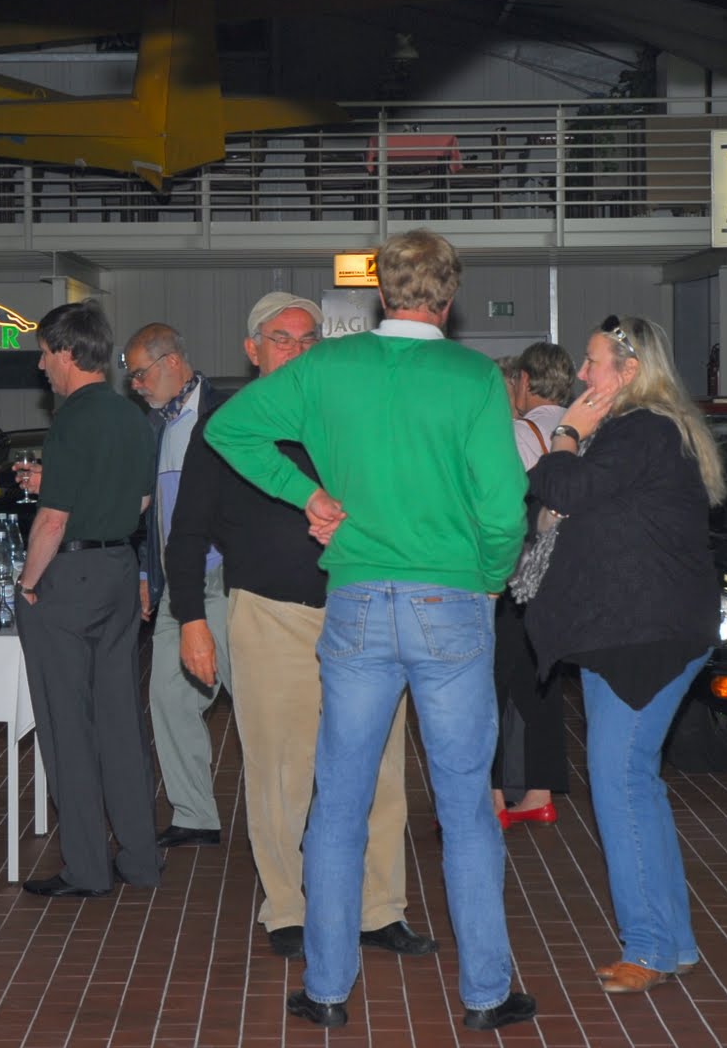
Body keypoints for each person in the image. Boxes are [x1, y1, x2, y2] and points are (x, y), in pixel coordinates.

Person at [208, 230, 537, 1033]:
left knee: (339, 801)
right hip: (451, 599)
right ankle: (486, 992)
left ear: (381, 293)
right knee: (464, 804)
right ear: (449, 298)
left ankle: (326, 988)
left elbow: (229, 429)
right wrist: (491, 577)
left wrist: (308, 494)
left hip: (355, 599)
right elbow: (504, 509)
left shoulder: (327, 366)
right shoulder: (472, 377)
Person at [166, 292, 434, 962]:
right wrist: (191, 620)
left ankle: (379, 908)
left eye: (309, 338)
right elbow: (186, 530)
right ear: (252, 349)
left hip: (363, 609)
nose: (296, 349)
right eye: (281, 338)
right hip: (270, 615)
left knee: (381, 765)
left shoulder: (345, 414)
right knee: (279, 769)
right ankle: (287, 904)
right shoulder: (224, 426)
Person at [523, 314, 726, 994]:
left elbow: (562, 488)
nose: (582, 374)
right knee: (635, 782)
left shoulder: (642, 429)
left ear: (629, 370)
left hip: (644, 637)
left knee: (619, 783)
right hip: (637, 632)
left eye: (592, 362)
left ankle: (649, 948)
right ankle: (672, 942)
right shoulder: (649, 430)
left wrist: (566, 433)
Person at [13, 301, 160, 898]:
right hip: (119, 568)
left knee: (67, 726)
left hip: (69, 579)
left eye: (45, 354)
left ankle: (87, 867)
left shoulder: (72, 420)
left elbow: (52, 521)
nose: (42, 366)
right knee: (121, 718)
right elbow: (141, 502)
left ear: (68, 353)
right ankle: (141, 858)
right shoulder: (132, 416)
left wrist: (27, 584)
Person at [123, 322, 231, 849]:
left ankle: (298, 815)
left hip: (227, 581)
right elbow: (153, 509)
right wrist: (148, 572)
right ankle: (194, 816)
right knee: (168, 696)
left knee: (257, 704)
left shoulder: (223, 413)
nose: (135, 384)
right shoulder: (156, 425)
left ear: (170, 362)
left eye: (140, 374)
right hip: (175, 585)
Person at [491, 343, 575, 828]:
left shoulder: (516, 433)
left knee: (493, 685)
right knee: (540, 683)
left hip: (517, 576)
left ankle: (494, 795)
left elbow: (501, 504)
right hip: (565, 578)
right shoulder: (584, 431)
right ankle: (540, 791)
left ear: (524, 381)